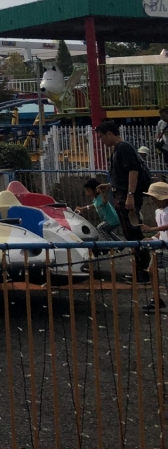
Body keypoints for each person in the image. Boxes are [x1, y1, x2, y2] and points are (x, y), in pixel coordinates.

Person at [96, 119, 153, 278]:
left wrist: (130, 194)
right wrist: (110, 185)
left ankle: (142, 270)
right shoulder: (119, 149)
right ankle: (140, 269)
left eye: (101, 137)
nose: (101, 141)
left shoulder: (123, 148)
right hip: (121, 193)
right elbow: (124, 175)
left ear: (109, 133)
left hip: (126, 196)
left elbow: (133, 171)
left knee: (133, 232)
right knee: (130, 232)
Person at [141, 181, 168, 310]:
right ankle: (156, 298)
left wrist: (152, 228)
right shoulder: (158, 211)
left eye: (154, 198)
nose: (152, 200)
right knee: (151, 270)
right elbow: (163, 230)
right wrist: (153, 237)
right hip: (162, 245)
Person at [75, 177, 122, 241]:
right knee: (106, 231)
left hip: (112, 220)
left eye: (88, 190)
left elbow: (105, 202)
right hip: (111, 220)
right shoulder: (96, 199)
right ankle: (119, 242)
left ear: (94, 190)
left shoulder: (100, 197)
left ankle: (110, 244)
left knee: (100, 228)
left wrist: (102, 192)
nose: (87, 192)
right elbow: (94, 205)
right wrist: (82, 208)